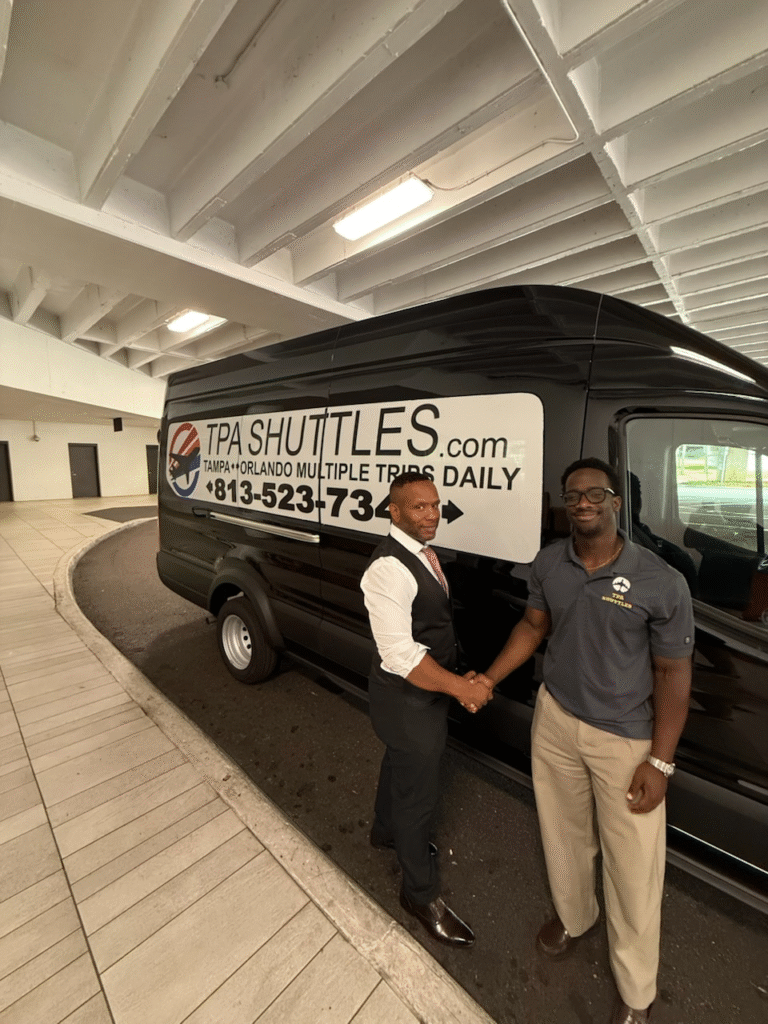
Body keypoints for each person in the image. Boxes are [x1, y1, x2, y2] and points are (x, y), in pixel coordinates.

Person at [474, 458, 693, 1024]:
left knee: (634, 867)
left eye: (596, 493)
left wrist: (661, 763)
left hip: (624, 741)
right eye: (573, 496)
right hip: (555, 720)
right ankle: (576, 917)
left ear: (616, 502)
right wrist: (490, 680)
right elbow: (532, 627)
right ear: (563, 504)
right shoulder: (551, 563)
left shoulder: (660, 581)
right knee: (564, 836)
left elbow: (673, 674)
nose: (584, 503)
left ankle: (637, 992)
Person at [360, 471, 491, 946]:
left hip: (419, 699)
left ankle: (384, 832)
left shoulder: (423, 555)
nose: (432, 514)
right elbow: (400, 656)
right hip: (407, 701)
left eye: (435, 505)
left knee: (400, 762)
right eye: (419, 507)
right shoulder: (388, 569)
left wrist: (460, 677)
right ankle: (419, 893)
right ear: (393, 511)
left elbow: (430, 628)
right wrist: (462, 688)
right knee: (419, 797)